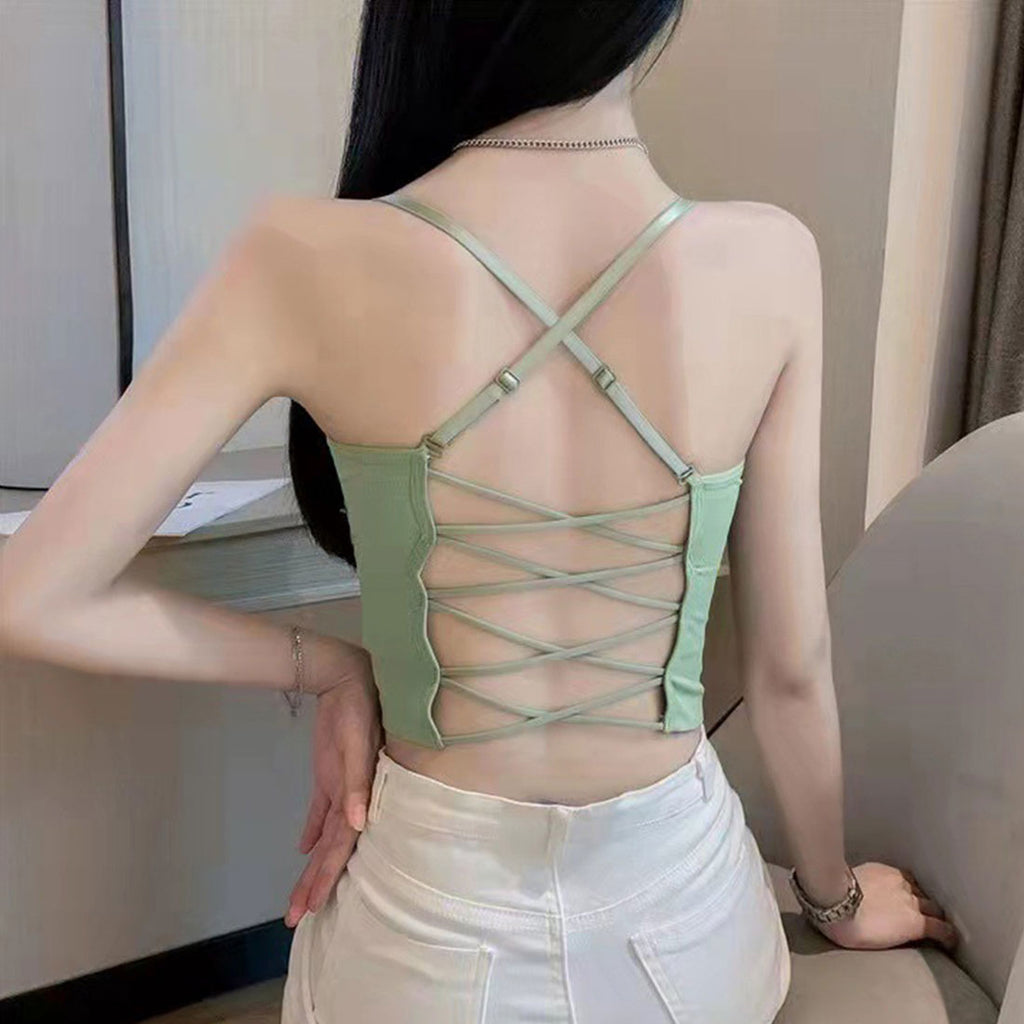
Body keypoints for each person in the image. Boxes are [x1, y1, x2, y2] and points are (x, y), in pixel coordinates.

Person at [0, 2, 959, 1022]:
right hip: (686, 940)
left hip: (422, 946)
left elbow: (30, 596)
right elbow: (789, 668)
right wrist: (835, 897)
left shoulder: (298, 254)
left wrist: (326, 664)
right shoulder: (770, 258)